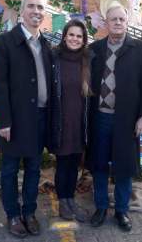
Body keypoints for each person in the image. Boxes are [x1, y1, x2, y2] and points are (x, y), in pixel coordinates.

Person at [86, 0, 142, 232]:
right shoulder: (94, 49)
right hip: (100, 118)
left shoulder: (140, 49)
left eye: (121, 19)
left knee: (124, 167)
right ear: (105, 23)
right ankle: (101, 207)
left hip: (126, 120)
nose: (117, 23)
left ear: (127, 21)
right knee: (99, 164)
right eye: (113, 19)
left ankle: (122, 211)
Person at [0, 0, 51, 238]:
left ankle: (29, 212)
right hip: (14, 120)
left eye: (41, 8)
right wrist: (3, 121)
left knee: (35, 169)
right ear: (22, 10)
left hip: (40, 118)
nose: (37, 11)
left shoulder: (47, 45)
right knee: (10, 169)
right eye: (32, 6)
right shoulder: (5, 42)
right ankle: (13, 215)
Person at [49, 19, 91, 222]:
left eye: (79, 36)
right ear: (65, 36)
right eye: (71, 34)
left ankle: (70, 199)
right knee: (62, 163)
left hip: (79, 123)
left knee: (74, 163)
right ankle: (62, 201)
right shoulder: (54, 58)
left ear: (84, 40)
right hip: (60, 122)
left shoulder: (87, 61)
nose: (75, 39)